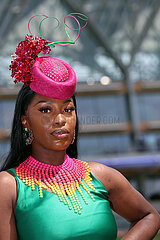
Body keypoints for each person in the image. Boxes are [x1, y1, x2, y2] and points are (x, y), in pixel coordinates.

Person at [0, 14, 159, 240]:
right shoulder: (8, 187)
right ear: (24, 120)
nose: (60, 119)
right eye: (45, 110)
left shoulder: (101, 176)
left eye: (68, 109)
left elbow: (149, 215)